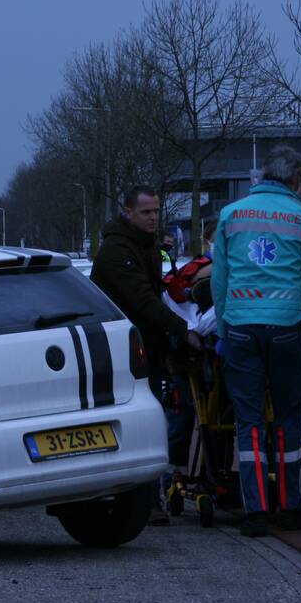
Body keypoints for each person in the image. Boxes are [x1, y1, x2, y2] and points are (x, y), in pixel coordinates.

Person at [211, 145, 301, 537]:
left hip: (241, 328)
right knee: (287, 418)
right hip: (287, 328)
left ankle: (255, 512)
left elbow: (219, 282)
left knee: (249, 423)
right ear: (295, 179)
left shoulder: (230, 215)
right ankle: (291, 506)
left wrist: (225, 333)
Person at [91, 186, 202, 521]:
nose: (154, 218)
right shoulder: (117, 251)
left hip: (143, 350)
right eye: (146, 212)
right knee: (139, 425)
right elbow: (142, 301)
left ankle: (147, 497)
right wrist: (182, 331)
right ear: (127, 212)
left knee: (149, 421)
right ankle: (141, 501)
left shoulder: (146, 246)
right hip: (122, 355)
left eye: (156, 211)